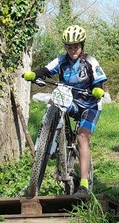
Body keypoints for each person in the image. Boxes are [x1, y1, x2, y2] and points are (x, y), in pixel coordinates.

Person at [23, 25, 107, 196]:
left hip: (90, 105)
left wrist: (98, 89)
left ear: (82, 46)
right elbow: (46, 70)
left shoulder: (90, 61)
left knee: (83, 137)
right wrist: (34, 74)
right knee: (55, 100)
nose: (73, 49)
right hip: (72, 101)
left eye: (76, 46)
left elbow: (99, 81)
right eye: (69, 46)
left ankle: (83, 184)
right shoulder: (62, 60)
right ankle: (50, 137)